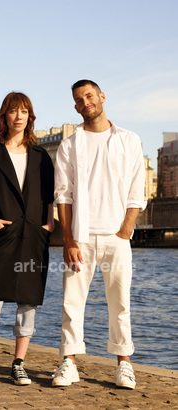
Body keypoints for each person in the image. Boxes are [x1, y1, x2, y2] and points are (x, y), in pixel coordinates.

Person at [52, 79, 146, 389]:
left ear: (102, 96)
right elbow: (63, 195)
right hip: (80, 236)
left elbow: (136, 189)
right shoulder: (69, 145)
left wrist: (126, 229)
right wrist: (68, 239)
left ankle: (124, 365)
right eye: (79, 100)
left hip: (117, 236)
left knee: (120, 303)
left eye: (89, 96)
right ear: (76, 106)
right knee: (72, 302)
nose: (85, 103)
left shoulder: (128, 140)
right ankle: (68, 363)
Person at [0, 92, 54, 386]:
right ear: (4, 116)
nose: (19, 116)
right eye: (13, 111)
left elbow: (49, 195)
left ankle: (18, 364)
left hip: (34, 236)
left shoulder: (41, 156)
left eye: (24, 112)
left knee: (28, 302)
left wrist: (48, 224)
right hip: (2, 235)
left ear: (30, 117)